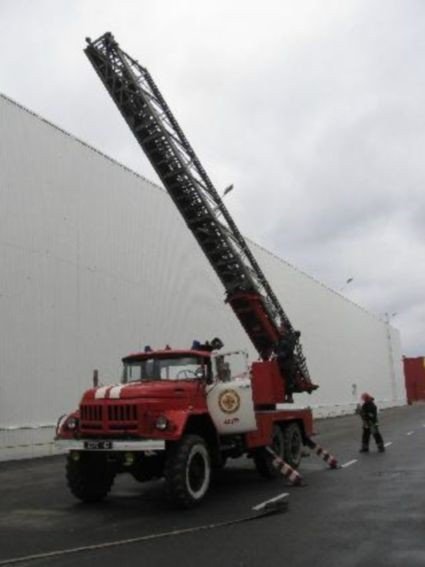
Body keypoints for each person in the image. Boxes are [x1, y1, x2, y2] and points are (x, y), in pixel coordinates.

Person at [275, 329, 300, 402]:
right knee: (285, 381)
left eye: (282, 330)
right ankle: (286, 396)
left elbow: (289, 350)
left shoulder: (288, 339)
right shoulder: (282, 340)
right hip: (283, 364)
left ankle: (289, 397)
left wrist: (282, 354)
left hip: (287, 364)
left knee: (288, 381)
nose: (281, 331)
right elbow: (277, 349)